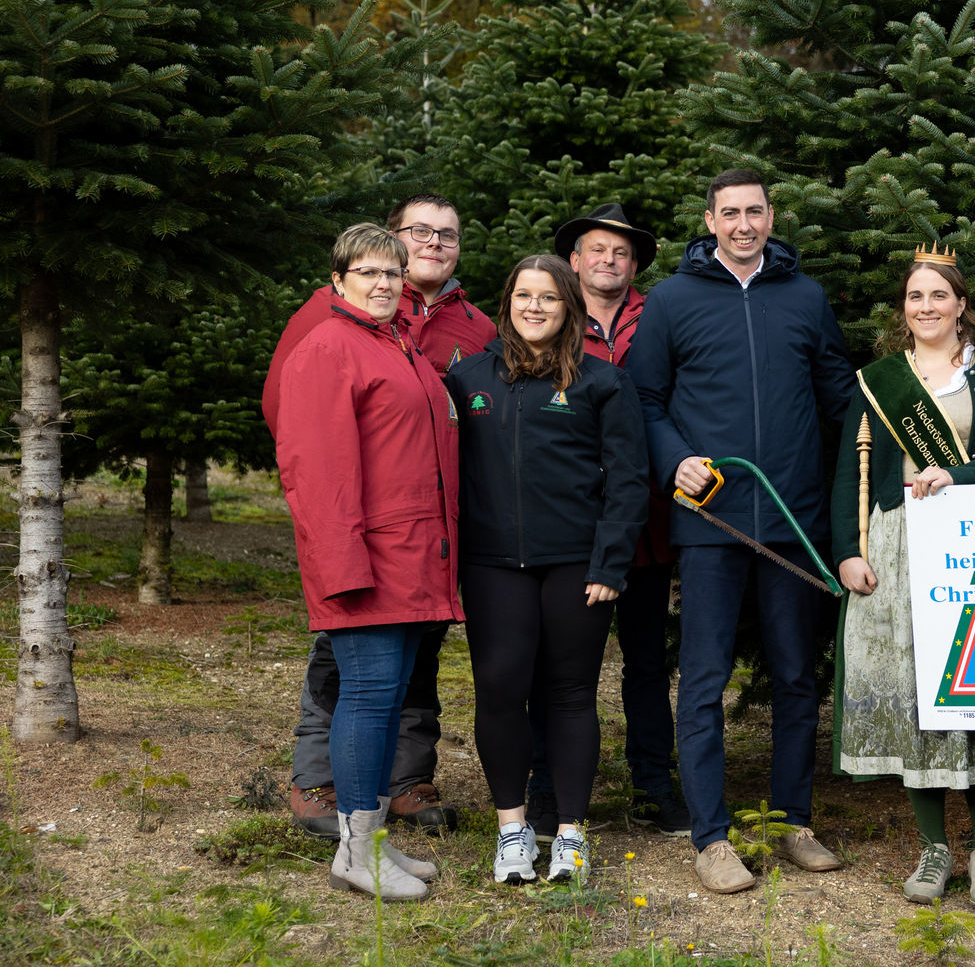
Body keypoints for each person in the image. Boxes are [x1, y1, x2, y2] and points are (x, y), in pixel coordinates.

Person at [627, 168, 856, 894]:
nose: (744, 224)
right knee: (703, 680)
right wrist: (676, 461)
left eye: (755, 212)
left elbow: (840, 396)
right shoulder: (671, 300)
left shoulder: (805, 297)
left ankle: (794, 822)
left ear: (771, 215)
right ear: (709, 220)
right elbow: (646, 399)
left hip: (791, 521)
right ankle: (712, 837)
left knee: (794, 677)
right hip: (711, 521)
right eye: (729, 214)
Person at [264, 193, 495, 837]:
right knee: (353, 666)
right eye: (419, 232)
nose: (433, 243)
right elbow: (300, 428)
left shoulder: (472, 328)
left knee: (414, 663)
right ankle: (321, 781)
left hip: (431, 539)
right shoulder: (326, 325)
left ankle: (403, 782)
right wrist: (335, 537)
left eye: (448, 234)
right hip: (366, 536)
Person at [830, 249, 975, 908]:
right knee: (917, 691)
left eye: (939, 296)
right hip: (896, 548)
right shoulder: (878, 381)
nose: (926, 306)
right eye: (915, 296)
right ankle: (932, 846)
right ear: (905, 308)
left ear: (960, 305)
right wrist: (847, 549)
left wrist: (960, 474)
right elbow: (846, 475)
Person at [445, 255, 650, 885]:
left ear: (569, 308)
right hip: (491, 565)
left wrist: (610, 564)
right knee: (501, 689)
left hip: (577, 567)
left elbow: (629, 479)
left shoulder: (601, 382)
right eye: (523, 296)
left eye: (549, 299)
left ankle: (569, 834)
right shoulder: (468, 379)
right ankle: (512, 831)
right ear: (507, 303)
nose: (534, 308)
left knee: (569, 695)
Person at [513, 205, 687, 841]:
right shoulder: (546, 320)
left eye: (621, 253)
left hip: (649, 525)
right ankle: (543, 788)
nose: (608, 261)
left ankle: (653, 785)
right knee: (552, 666)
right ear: (574, 261)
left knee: (646, 661)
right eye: (596, 251)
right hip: (568, 533)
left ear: (634, 264)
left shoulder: (661, 316)